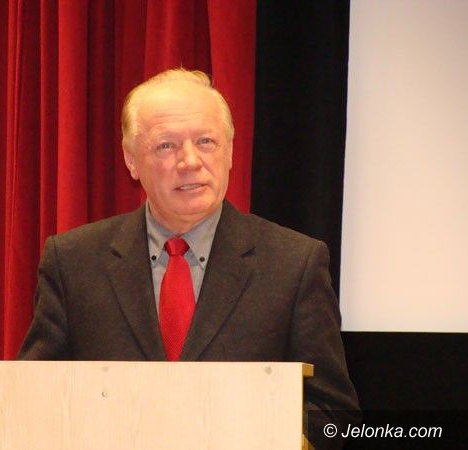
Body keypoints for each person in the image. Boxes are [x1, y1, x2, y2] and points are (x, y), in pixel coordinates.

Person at [18, 68, 360, 448]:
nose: (190, 161)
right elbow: (34, 399)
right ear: (131, 160)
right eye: (166, 145)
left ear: (230, 152)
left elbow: (332, 413)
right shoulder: (73, 263)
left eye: (206, 141)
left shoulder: (294, 263)